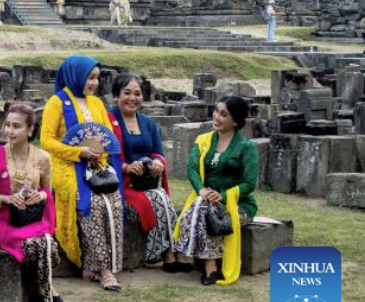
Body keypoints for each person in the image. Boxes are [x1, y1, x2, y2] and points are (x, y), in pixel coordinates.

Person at [41, 55, 124, 292]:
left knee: (115, 202)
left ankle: (94, 265)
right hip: (66, 166)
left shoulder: (97, 104)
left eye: (97, 78)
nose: (95, 83)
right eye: (91, 77)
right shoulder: (57, 103)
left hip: (96, 164)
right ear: (76, 76)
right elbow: (46, 141)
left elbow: (107, 137)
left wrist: (99, 156)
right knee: (90, 204)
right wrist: (78, 152)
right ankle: (106, 271)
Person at [174, 96, 259, 286]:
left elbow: (249, 183)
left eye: (223, 114)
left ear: (235, 121)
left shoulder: (246, 148)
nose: (216, 117)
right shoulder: (203, 140)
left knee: (207, 210)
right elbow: (192, 168)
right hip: (205, 198)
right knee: (204, 207)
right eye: (216, 111)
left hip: (238, 205)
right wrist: (202, 190)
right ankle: (210, 265)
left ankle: (195, 259)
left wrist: (224, 195)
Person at [108, 73, 189, 273]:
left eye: (137, 93)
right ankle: (167, 254)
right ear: (116, 95)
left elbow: (158, 153)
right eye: (126, 93)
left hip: (147, 181)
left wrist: (157, 162)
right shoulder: (108, 121)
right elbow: (105, 156)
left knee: (161, 196)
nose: (132, 98)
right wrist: (126, 167)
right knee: (155, 199)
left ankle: (173, 251)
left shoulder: (148, 123)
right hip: (123, 183)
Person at [0, 102, 61, 302]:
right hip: (6, 222)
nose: (10, 131)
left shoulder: (43, 158)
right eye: (7, 125)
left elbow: (48, 189)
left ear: (30, 130)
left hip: (34, 220)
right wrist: (7, 199)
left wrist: (42, 196)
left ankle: (38, 287)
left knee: (47, 243)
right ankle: (47, 292)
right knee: (36, 245)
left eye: (16, 126)